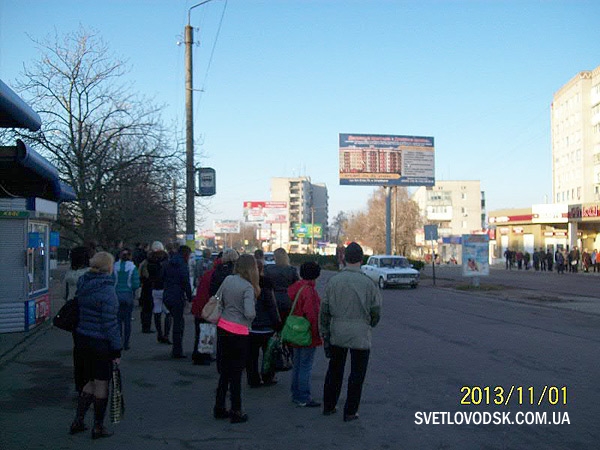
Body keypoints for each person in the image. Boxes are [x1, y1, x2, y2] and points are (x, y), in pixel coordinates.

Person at [321, 242, 382, 422]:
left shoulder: (334, 281)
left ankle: (329, 406)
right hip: (360, 333)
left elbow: (324, 310)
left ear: (344, 258)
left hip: (337, 332)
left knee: (334, 370)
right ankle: (350, 411)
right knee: (357, 374)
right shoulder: (368, 283)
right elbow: (376, 311)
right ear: (361, 259)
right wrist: (369, 324)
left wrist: (325, 331)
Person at [70, 252, 121, 439]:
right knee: (101, 384)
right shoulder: (107, 292)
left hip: (83, 339)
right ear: (108, 267)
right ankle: (98, 427)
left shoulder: (84, 284)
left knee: (89, 381)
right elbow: (110, 324)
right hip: (100, 343)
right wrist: (117, 349)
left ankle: (78, 420)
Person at [214, 254, 259, 424]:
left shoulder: (228, 280)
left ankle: (219, 407)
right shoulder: (248, 287)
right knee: (236, 373)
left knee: (224, 371)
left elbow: (218, 297)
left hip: (223, 326)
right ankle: (236, 409)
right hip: (239, 332)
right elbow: (249, 312)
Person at [287, 261, 323, 407]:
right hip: (306, 332)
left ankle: (296, 392)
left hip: (295, 330)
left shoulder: (296, 288)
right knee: (305, 365)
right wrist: (317, 334)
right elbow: (312, 314)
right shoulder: (309, 291)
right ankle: (303, 396)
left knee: (297, 363)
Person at [246, 259, 280, 387]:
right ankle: (267, 377)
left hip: (250, 327)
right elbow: (271, 306)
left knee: (251, 356)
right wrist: (277, 323)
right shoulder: (266, 284)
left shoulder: (245, 284)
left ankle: (253, 379)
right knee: (268, 354)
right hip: (266, 326)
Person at [65, 246, 91, 393]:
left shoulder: (69, 274)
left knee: (78, 348)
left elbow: (64, 293)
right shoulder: (89, 274)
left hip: (73, 312)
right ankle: (88, 380)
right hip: (86, 312)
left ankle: (79, 383)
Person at [191, 253, 222, 365]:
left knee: (201, 331)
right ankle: (202, 356)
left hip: (200, 305)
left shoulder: (209, 273)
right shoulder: (217, 275)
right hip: (207, 307)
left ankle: (200, 354)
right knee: (206, 331)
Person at [163, 245, 193, 358]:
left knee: (174, 319)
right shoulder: (182, 265)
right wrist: (190, 298)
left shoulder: (168, 263)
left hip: (167, 294)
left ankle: (175, 348)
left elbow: (162, 277)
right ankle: (177, 350)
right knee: (179, 323)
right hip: (177, 295)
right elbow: (186, 282)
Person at [146, 241, 171, 344]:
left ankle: (159, 334)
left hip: (155, 288)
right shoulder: (166, 260)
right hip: (165, 288)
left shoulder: (149, 260)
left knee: (157, 311)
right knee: (168, 312)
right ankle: (166, 335)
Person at [264, 248, 299, 322]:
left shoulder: (268, 269)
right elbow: (297, 285)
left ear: (275, 257)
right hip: (288, 298)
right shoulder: (292, 270)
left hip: (272, 298)